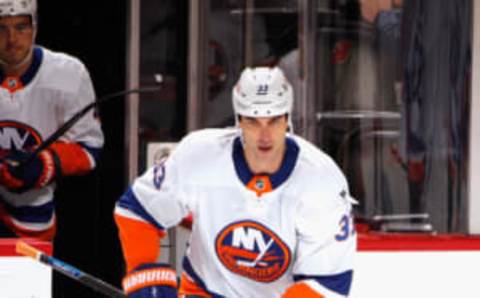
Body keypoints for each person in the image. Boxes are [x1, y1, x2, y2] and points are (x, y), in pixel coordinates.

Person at [114, 67, 356, 297]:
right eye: (253, 121)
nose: (265, 135)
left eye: (273, 120)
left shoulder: (321, 181)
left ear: (287, 120)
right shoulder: (199, 155)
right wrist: (143, 268)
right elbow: (138, 210)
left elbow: (327, 284)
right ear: (239, 120)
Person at [0, 0, 104, 240]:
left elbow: (90, 148)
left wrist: (45, 163)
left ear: (35, 27)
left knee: (21, 277)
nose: (12, 39)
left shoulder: (67, 74)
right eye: (2, 28)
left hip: (31, 214)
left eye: (20, 27)